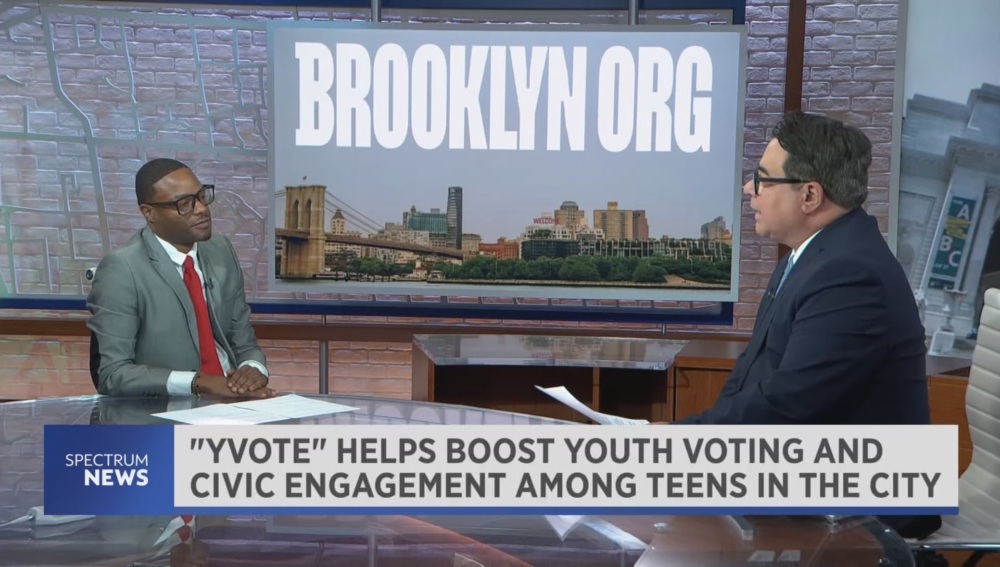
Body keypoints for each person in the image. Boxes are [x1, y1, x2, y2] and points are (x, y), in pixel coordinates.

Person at [672, 111, 938, 538]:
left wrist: (671, 448)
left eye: (761, 179)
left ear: (810, 195)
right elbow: (751, 376)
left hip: (862, 507)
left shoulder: (850, 274)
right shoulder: (811, 256)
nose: (748, 190)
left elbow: (788, 404)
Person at [87, 158, 274, 399]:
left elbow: (243, 340)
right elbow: (113, 374)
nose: (201, 209)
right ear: (149, 212)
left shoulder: (220, 250)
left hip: (234, 400)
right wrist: (198, 382)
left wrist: (253, 369)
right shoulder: (122, 269)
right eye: (184, 203)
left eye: (201, 196)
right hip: (169, 411)